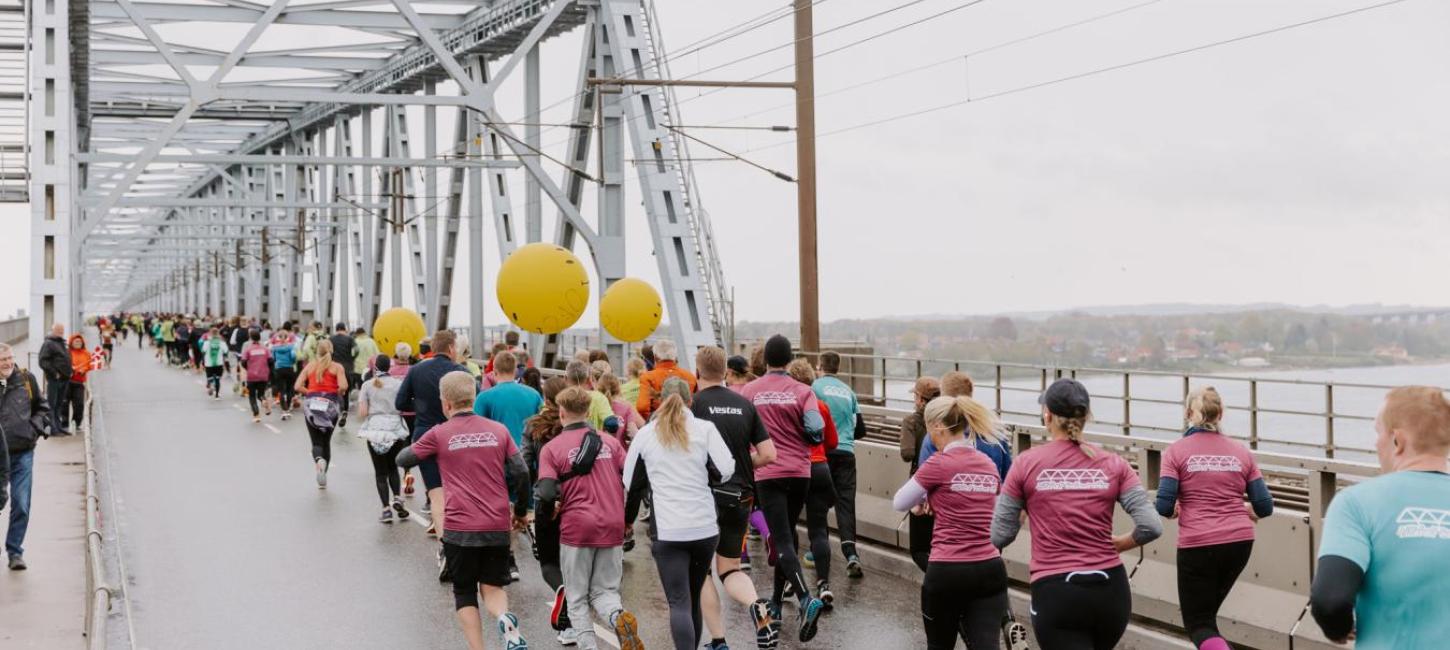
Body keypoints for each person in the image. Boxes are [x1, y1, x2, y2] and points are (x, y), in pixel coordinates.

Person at [991, 378, 1163, 650]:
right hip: (1110, 591)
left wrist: (1025, 509)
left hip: (1057, 592)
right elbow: (1151, 526)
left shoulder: (1026, 464)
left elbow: (1000, 535)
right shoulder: (1114, 463)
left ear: (1047, 415)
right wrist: (1121, 544)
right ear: (1086, 416)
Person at [397, 371, 531, 650]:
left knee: (464, 591)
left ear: (445, 403)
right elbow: (521, 471)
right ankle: (504, 619)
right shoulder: (498, 431)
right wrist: (519, 511)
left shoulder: (439, 433)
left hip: (460, 528)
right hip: (496, 524)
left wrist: (430, 447)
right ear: (473, 397)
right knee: (493, 587)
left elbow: (403, 458)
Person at [1310, 386, 1450, 648]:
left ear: (1398, 441)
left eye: (1378, 432)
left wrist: (1338, 629)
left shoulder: (1355, 503)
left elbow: (1330, 600)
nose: (1376, 443)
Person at [1156, 387, 1273, 650]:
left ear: (1188, 413)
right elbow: (1265, 507)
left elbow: (1163, 505)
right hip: (1239, 543)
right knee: (1207, 620)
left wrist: (1175, 509)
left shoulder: (1175, 452)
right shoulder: (1241, 452)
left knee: (1199, 624)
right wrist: (1242, 509)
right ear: (1220, 414)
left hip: (1198, 544)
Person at [625, 378, 736, 650]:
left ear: (660, 401)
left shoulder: (646, 434)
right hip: (704, 528)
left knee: (679, 602)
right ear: (690, 400)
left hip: (668, 530)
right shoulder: (705, 429)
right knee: (694, 595)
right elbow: (725, 471)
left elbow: (630, 482)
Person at [893, 394, 1010, 650]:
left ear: (938, 427)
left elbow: (900, 502)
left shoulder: (938, 463)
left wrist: (923, 501)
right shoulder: (988, 464)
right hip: (990, 568)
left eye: (929, 429)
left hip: (948, 569)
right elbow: (997, 512)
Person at [536, 386, 643, 650]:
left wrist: (551, 512)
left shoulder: (551, 448)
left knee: (577, 598)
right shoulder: (611, 443)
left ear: (561, 412)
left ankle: (588, 646)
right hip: (612, 523)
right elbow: (634, 480)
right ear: (588, 411)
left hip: (577, 528)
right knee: (605, 592)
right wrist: (627, 518)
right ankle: (617, 617)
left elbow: (546, 492)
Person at [738, 334, 827, 642]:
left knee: (782, 540)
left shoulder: (750, 391)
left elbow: (742, 431)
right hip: (800, 472)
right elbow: (816, 430)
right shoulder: (804, 391)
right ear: (790, 359)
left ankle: (805, 598)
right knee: (786, 534)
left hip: (768, 472)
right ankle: (776, 602)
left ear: (765, 360)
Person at [691, 346, 781, 650]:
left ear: (698, 370)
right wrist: (742, 463)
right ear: (725, 372)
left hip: (704, 497)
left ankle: (718, 641)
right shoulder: (744, 404)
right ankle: (756, 605)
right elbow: (768, 454)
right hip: (740, 495)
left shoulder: (694, 404)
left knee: (701, 571)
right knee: (730, 567)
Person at [522, 377, 580, 645]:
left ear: (545, 398)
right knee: (574, 563)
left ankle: (563, 602)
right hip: (577, 500)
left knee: (548, 563)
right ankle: (573, 624)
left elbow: (524, 465)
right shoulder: (577, 428)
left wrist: (523, 503)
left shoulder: (534, 426)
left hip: (545, 499)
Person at [396, 330, 467, 536]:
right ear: (451, 348)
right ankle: (459, 531)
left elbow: (400, 402)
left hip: (425, 433)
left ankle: (444, 539)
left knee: (436, 494)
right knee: (456, 487)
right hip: (455, 434)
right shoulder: (461, 372)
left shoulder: (416, 370)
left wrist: (421, 407)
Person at [785, 360, 839, 607]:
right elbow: (832, 442)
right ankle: (824, 584)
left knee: (788, 527)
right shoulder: (821, 406)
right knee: (818, 530)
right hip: (819, 468)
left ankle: (790, 580)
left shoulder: (786, 405)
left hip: (794, 468)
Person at [812, 350, 865, 579]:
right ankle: (851, 554)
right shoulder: (849, 391)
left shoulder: (815, 387)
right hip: (846, 454)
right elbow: (860, 429)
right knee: (845, 504)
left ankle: (817, 551)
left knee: (819, 503)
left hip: (824, 453)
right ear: (838, 367)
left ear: (819, 366)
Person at [919, 371, 1011, 478]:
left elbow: (925, 477)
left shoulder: (938, 433)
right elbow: (1006, 476)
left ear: (943, 396)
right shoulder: (995, 432)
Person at [0, 343, 43, 570]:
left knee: (21, 504)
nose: (8, 363)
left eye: (9, 358)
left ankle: (15, 551)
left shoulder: (26, 380)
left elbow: (42, 408)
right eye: (2, 360)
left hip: (22, 453)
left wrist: (33, 429)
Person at [356, 355, 412, 524]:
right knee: (393, 467)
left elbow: (363, 413)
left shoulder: (367, 385)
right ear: (390, 367)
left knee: (380, 473)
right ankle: (397, 497)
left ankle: (386, 510)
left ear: (375, 368)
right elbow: (403, 405)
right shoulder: (398, 384)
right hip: (395, 429)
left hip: (375, 430)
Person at [899, 377, 941, 573]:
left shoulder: (911, 421)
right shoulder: (945, 421)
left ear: (921, 400)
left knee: (919, 549)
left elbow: (906, 454)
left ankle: (938, 580)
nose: (914, 400)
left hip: (921, 486)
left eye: (915, 396)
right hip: (945, 485)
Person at [294, 339, 349, 488]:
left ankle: (319, 461)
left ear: (317, 351)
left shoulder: (310, 366)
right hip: (330, 405)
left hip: (312, 404)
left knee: (316, 442)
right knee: (326, 441)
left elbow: (297, 386)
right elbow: (343, 386)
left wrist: (311, 392)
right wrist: (336, 392)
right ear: (331, 350)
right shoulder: (337, 367)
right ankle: (324, 476)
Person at [473, 351, 544, 450]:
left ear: (494, 372)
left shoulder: (483, 397)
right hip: (526, 453)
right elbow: (543, 423)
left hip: (498, 453)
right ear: (515, 371)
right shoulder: (534, 395)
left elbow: (474, 430)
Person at [636, 340, 698, 419]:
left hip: (660, 421)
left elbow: (642, 407)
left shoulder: (647, 377)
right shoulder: (690, 377)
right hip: (685, 420)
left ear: (655, 357)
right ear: (675, 357)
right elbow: (696, 404)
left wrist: (652, 419)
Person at [37, 323, 71, 436]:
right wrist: (54, 373)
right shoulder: (48, 343)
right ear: (52, 331)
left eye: (62, 330)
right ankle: (53, 429)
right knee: (52, 405)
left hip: (64, 379)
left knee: (59, 405)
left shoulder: (61, 343)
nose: (61, 332)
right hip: (54, 380)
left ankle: (59, 427)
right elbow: (42, 361)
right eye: (58, 330)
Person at [564, 361, 613, 433]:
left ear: (565, 378)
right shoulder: (599, 397)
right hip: (593, 438)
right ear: (588, 379)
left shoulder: (560, 398)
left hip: (567, 438)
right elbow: (612, 424)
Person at [596, 374, 643, 445]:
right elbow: (633, 433)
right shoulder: (626, 407)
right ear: (618, 388)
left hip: (599, 449)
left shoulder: (596, 405)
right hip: (620, 449)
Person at [329, 323, 358, 428]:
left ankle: (333, 412)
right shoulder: (350, 339)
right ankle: (345, 411)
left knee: (333, 390)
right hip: (348, 368)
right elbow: (357, 350)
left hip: (334, 368)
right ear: (345, 329)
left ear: (336, 329)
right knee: (345, 392)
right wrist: (352, 358)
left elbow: (328, 351)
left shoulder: (331, 339)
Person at [240, 329, 272, 422]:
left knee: (252, 396)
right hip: (263, 375)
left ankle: (256, 414)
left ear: (250, 338)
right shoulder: (265, 349)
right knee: (261, 394)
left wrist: (248, 368)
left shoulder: (248, 349)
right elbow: (271, 361)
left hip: (252, 375)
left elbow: (243, 362)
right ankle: (263, 400)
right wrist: (266, 369)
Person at [270, 325, 300, 421]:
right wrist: (292, 362)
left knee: (281, 390)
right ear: (287, 338)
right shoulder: (291, 347)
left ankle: (284, 410)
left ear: (278, 338)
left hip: (279, 369)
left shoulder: (275, 348)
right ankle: (289, 405)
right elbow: (293, 356)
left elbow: (273, 358)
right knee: (289, 389)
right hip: (289, 368)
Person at [66, 334, 92, 432]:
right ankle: (64, 423)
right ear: (71, 342)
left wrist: (83, 369)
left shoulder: (86, 353)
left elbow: (89, 365)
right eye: (76, 341)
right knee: (64, 403)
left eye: (80, 342)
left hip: (79, 382)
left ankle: (76, 423)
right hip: (67, 381)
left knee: (79, 404)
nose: (78, 343)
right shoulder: (67, 353)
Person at [201, 327, 228, 399]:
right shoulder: (222, 343)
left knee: (210, 377)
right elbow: (225, 351)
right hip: (219, 363)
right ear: (218, 334)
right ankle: (217, 395)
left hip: (209, 364)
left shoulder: (207, 342)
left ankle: (211, 384)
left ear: (211, 334)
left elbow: (203, 351)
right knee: (217, 379)